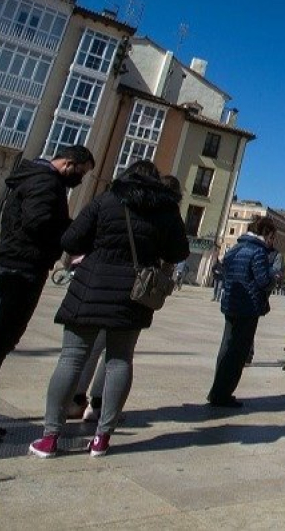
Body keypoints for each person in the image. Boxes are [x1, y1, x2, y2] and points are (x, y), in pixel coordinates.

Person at [27, 160, 187, 458]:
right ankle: (102, 437)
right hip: (132, 295)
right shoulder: (165, 210)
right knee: (120, 361)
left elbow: (71, 239)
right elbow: (179, 251)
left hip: (91, 286)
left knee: (71, 359)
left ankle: (50, 437)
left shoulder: (107, 198)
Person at [0, 145, 95, 440]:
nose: (80, 178)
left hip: (17, 263)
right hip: (22, 267)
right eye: (81, 172)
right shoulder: (46, 183)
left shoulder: (35, 178)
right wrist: (72, 235)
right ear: (68, 163)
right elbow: (39, 222)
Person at [207, 216, 278, 408]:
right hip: (248, 307)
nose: (272, 242)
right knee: (238, 352)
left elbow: (223, 271)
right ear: (267, 234)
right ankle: (223, 394)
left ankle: (216, 391)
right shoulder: (258, 252)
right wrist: (274, 277)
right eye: (272, 237)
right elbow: (263, 280)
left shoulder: (235, 248)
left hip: (230, 303)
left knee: (226, 347)